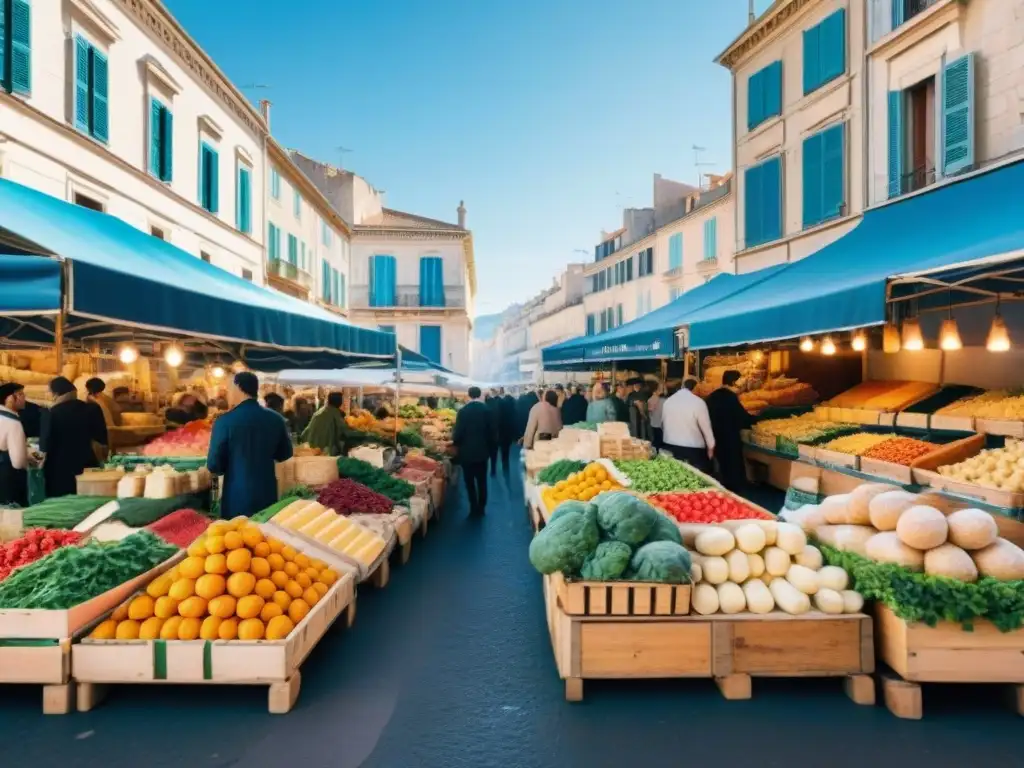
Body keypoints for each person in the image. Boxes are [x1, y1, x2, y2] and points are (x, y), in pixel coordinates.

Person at [207, 372, 293, 518]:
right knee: (265, 536)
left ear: (238, 387)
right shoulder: (276, 419)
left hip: (236, 496)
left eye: (230, 388)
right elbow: (285, 454)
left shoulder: (224, 422)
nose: (228, 393)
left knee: (235, 537)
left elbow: (214, 465)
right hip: (267, 493)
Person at [40, 376, 108, 498]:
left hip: (58, 470)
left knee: (62, 507)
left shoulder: (51, 413)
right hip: (86, 465)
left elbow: (45, 445)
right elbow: (102, 439)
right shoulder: (92, 408)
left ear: (55, 393)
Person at [706, 369, 755, 492]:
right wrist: (759, 419)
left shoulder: (711, 397)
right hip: (730, 439)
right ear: (734, 382)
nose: (743, 385)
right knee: (733, 470)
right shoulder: (731, 397)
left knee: (723, 468)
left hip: (715, 438)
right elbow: (742, 418)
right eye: (741, 381)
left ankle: (725, 490)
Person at [452, 386, 495, 516]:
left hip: (467, 453)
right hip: (482, 452)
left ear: (469, 395)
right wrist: (490, 449)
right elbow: (492, 433)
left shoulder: (463, 411)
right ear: (479, 394)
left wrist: (455, 442)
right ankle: (482, 507)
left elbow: (458, 434)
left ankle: (473, 507)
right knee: (482, 481)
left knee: (469, 481)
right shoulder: (487, 410)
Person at [661, 376, 715, 473]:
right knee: (694, 478)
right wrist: (711, 447)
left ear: (683, 386)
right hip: (692, 450)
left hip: (670, 445)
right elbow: (706, 428)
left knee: (674, 475)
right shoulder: (699, 402)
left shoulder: (668, 401)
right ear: (696, 387)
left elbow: (663, 424)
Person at [0, 383, 29, 506]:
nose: (24, 398)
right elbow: (18, 462)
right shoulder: (13, 423)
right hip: (7, 480)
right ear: (9, 399)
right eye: (20, 394)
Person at [301, 391, 348, 456]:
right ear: (339, 402)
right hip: (326, 451)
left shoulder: (319, 411)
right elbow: (344, 431)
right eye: (342, 400)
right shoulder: (335, 414)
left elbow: (304, 434)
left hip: (311, 450)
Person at [499, 388, 518, 473]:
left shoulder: (501, 402)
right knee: (511, 447)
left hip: (503, 429)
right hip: (512, 427)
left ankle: (504, 465)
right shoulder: (514, 401)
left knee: (504, 449)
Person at [485, 390, 504, 477]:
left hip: (485, 434)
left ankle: (485, 469)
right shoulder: (496, 405)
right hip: (494, 433)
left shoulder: (484, 406)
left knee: (485, 453)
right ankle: (493, 469)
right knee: (493, 454)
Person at [648, 384, 665, 449]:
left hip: (655, 422)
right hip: (658, 423)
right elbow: (651, 409)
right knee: (658, 440)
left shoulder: (652, 399)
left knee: (657, 439)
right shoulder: (655, 399)